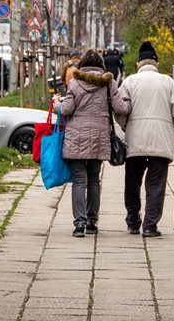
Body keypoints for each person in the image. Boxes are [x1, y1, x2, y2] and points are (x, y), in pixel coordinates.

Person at [115, 41, 174, 238]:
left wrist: (125, 127)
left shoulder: (130, 81)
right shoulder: (168, 82)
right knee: (155, 185)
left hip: (135, 141)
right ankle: (149, 226)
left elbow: (120, 110)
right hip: (160, 141)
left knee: (132, 182)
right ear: (156, 64)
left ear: (139, 64)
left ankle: (133, 221)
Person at [53, 50, 131, 238]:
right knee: (94, 179)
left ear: (82, 65)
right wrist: (128, 102)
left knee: (79, 180)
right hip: (99, 136)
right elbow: (121, 108)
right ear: (101, 66)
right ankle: (91, 222)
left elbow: (66, 109)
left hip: (76, 137)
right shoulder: (108, 83)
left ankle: (79, 224)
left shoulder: (75, 83)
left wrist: (56, 104)